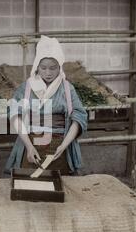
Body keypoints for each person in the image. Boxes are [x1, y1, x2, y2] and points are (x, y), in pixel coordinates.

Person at [5, 35, 88, 175]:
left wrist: (64, 145)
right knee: (30, 184)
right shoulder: (26, 88)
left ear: (60, 67)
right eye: (43, 68)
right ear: (37, 66)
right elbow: (15, 115)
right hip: (31, 145)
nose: (48, 73)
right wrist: (29, 146)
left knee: (58, 184)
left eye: (53, 68)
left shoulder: (67, 89)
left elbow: (78, 116)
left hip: (59, 146)